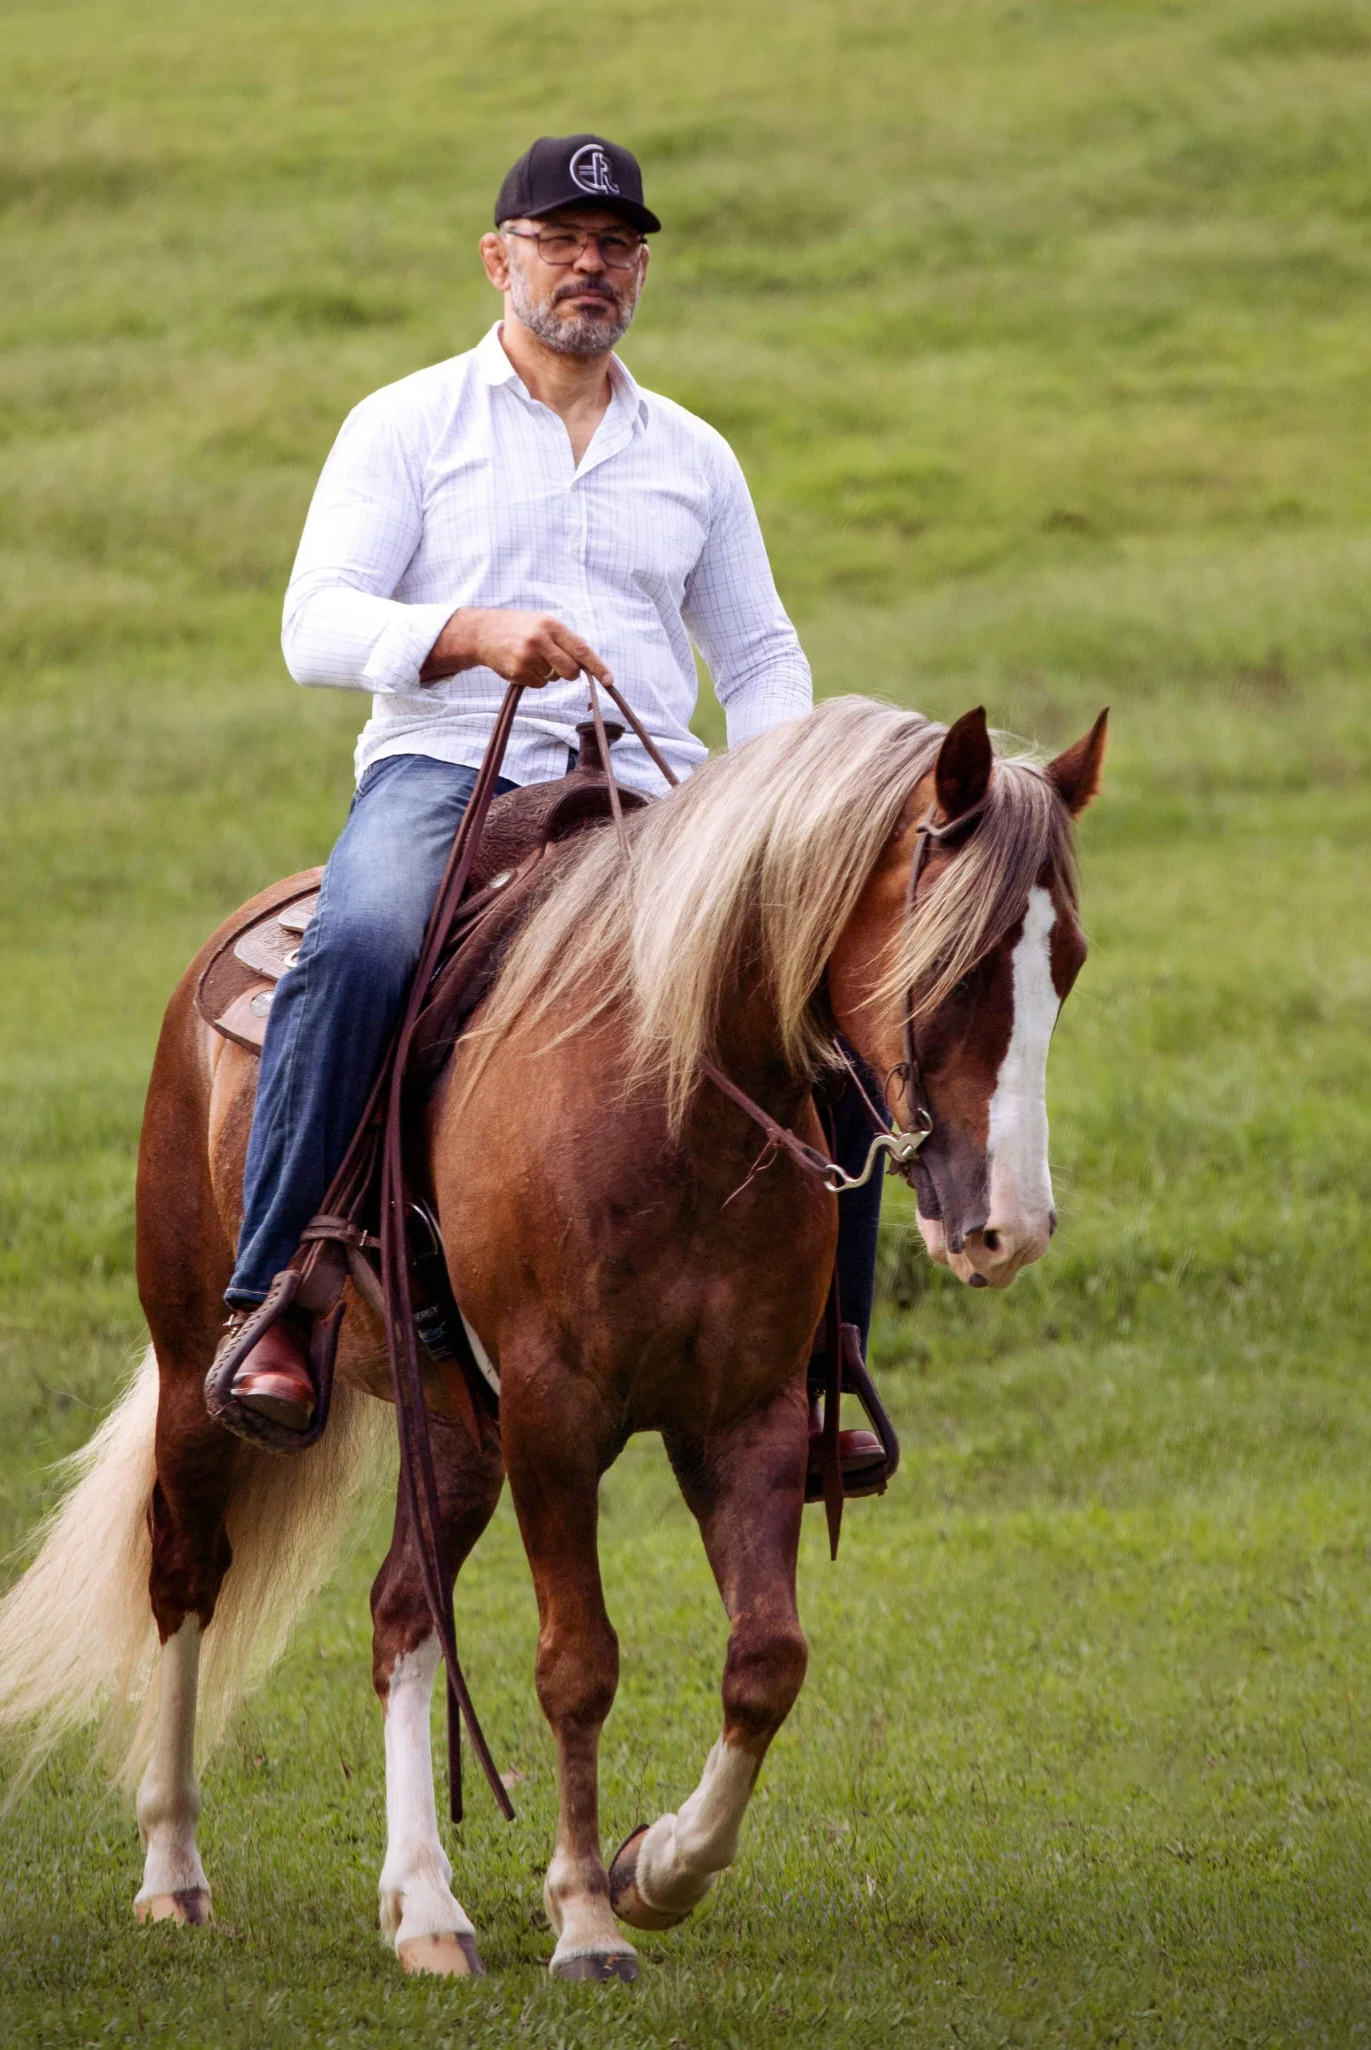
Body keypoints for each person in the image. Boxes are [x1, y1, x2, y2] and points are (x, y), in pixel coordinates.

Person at [216, 134, 885, 1459]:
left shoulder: (693, 454)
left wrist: (770, 798)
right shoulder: (404, 424)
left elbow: (758, 654)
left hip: (651, 796)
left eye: (618, 244)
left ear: (640, 269)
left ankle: (827, 1352)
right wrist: (467, 633)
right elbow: (314, 623)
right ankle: (281, 1294)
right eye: (564, 239)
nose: (593, 264)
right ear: (498, 258)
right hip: (447, 768)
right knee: (359, 942)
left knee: (826, 997)